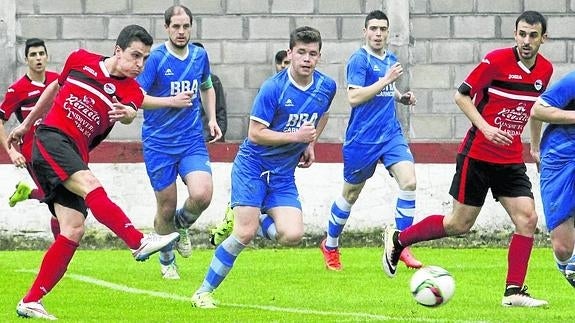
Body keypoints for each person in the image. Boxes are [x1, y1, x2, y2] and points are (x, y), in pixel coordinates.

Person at [7, 24, 186, 320]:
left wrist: (129, 114)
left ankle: (31, 300)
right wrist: (26, 125)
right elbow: (55, 88)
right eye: (135, 56)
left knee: (74, 229)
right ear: (118, 51)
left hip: (76, 152)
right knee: (90, 184)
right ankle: (137, 242)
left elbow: (129, 112)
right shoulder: (80, 59)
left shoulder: (130, 89)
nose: (139, 65)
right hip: (52, 137)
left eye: (145, 59)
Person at [382, 11, 552, 307]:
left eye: (533, 35)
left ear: (543, 38)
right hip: (477, 154)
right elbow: (461, 95)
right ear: (514, 34)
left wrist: (534, 148)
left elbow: (536, 109)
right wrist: (485, 128)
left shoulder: (545, 70)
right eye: (522, 34)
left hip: (510, 158)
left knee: (528, 219)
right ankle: (399, 240)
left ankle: (513, 292)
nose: (526, 41)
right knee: (459, 225)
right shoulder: (496, 61)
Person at [190, 26, 337, 309]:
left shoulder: (326, 86)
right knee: (243, 234)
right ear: (290, 53)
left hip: (283, 173)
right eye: (302, 53)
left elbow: (323, 114)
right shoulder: (274, 88)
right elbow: (255, 133)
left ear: (319, 56)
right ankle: (203, 292)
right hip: (253, 165)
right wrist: (297, 137)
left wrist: (311, 144)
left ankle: (252, 218)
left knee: (292, 235)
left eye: (313, 54)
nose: (307, 59)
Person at [319, 10, 420, 272]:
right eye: (373, 29)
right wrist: (386, 80)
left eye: (382, 29)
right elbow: (354, 97)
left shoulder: (391, 58)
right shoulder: (359, 60)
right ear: (365, 32)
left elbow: (387, 89)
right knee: (350, 195)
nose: (378, 34)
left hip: (390, 135)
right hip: (362, 139)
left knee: (409, 181)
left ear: (388, 33)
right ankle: (330, 245)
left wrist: (400, 97)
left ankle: (402, 244)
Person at [136, 5, 222, 280]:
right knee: (166, 205)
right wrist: (170, 102)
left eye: (186, 26)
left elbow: (206, 86)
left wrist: (211, 119)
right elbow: (136, 97)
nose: (182, 32)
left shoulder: (199, 55)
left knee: (202, 194)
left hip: (190, 140)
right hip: (158, 143)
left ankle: (182, 225)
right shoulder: (156, 59)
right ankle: (166, 259)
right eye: (176, 26)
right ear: (166, 28)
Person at [0, 38, 60, 238]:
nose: (38, 58)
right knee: (57, 201)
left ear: (47, 56)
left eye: (41, 54)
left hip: (60, 149)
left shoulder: (57, 81)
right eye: (33, 55)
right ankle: (62, 246)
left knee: (64, 197)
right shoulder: (17, 89)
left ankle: (28, 193)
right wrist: (11, 151)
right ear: (26, 59)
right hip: (33, 153)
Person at [530, 72, 575, 288]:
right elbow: (538, 109)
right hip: (560, 155)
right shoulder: (573, 81)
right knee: (564, 249)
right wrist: (535, 148)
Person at [192, 42, 228, 142]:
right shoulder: (180, 79)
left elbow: (220, 111)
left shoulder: (213, 80)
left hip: (209, 137)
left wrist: (218, 135)